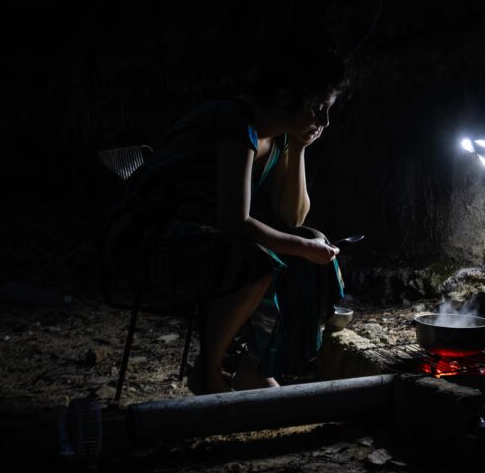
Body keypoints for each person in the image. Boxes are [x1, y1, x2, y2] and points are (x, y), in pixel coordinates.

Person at [103, 37, 348, 394]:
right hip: (145, 237)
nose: (324, 120)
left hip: (201, 233)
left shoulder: (279, 135)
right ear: (283, 98)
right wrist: (298, 246)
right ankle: (208, 372)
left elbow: (290, 217)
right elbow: (236, 222)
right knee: (254, 259)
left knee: (311, 246)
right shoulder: (236, 124)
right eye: (318, 108)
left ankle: (254, 366)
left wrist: (298, 148)